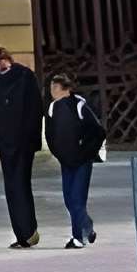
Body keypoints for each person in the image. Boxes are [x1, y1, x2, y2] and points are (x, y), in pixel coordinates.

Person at [0, 45, 42, 249]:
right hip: (25, 142)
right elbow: (36, 109)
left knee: (13, 187)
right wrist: (34, 140)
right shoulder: (26, 76)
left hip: (7, 144)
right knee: (24, 184)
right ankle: (29, 230)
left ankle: (24, 233)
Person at [45, 70, 107, 248]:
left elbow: (98, 131)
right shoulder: (52, 108)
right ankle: (87, 227)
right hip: (66, 161)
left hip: (82, 161)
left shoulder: (79, 105)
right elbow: (50, 135)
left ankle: (77, 238)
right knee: (68, 199)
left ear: (63, 89)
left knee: (77, 199)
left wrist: (85, 151)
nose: (52, 91)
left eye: (54, 87)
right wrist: (58, 153)